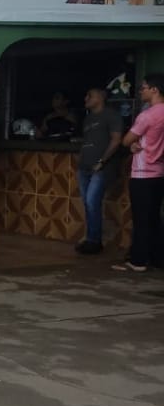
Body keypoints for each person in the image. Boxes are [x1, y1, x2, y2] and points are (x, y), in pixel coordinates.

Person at [116, 73, 164, 272]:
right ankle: (157, 258)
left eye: (144, 87)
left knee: (141, 218)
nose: (141, 90)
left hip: (143, 172)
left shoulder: (148, 115)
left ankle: (138, 260)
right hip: (160, 173)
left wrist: (133, 144)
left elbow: (126, 140)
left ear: (155, 90)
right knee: (154, 217)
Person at [75, 88, 123, 255]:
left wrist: (102, 161)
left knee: (91, 202)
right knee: (88, 204)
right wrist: (80, 160)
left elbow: (117, 140)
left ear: (101, 97)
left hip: (101, 168)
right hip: (84, 167)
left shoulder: (112, 115)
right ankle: (90, 238)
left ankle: (94, 241)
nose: (86, 98)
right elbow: (86, 141)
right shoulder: (88, 118)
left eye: (90, 95)